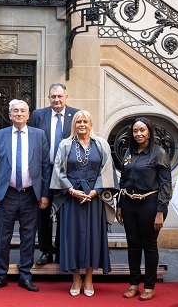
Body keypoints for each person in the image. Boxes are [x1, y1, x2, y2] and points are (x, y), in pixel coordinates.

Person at [50, 110, 119, 297]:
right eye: (78, 121)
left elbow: (107, 170)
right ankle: (76, 278)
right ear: (74, 124)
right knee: (72, 238)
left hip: (94, 200)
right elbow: (58, 170)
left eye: (85, 121)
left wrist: (95, 191)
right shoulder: (65, 144)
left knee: (92, 238)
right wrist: (72, 191)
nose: (81, 124)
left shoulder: (101, 144)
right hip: (71, 199)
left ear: (90, 124)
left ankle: (88, 278)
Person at [0, 99, 51, 292]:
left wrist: (45, 194)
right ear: (9, 115)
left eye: (23, 111)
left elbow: (45, 167)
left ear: (28, 115)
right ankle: (0, 276)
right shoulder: (0, 135)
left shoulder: (39, 135)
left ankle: (25, 276)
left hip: (31, 194)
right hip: (7, 194)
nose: (19, 114)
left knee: (28, 237)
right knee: (3, 237)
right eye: (15, 111)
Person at [116, 117, 172, 302]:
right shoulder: (128, 152)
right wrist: (119, 205)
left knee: (149, 245)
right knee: (133, 244)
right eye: (135, 131)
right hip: (129, 204)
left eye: (142, 130)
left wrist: (160, 211)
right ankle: (133, 284)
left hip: (150, 205)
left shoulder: (158, 153)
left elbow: (165, 184)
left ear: (149, 132)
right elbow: (123, 180)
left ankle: (149, 286)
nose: (138, 134)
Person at [28, 83, 79, 265]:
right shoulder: (38, 115)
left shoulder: (76, 115)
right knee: (44, 212)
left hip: (68, 173)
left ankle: (62, 250)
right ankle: (46, 251)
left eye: (59, 96)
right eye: (53, 96)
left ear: (66, 97)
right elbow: (30, 139)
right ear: (48, 98)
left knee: (65, 212)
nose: (56, 100)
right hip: (45, 171)